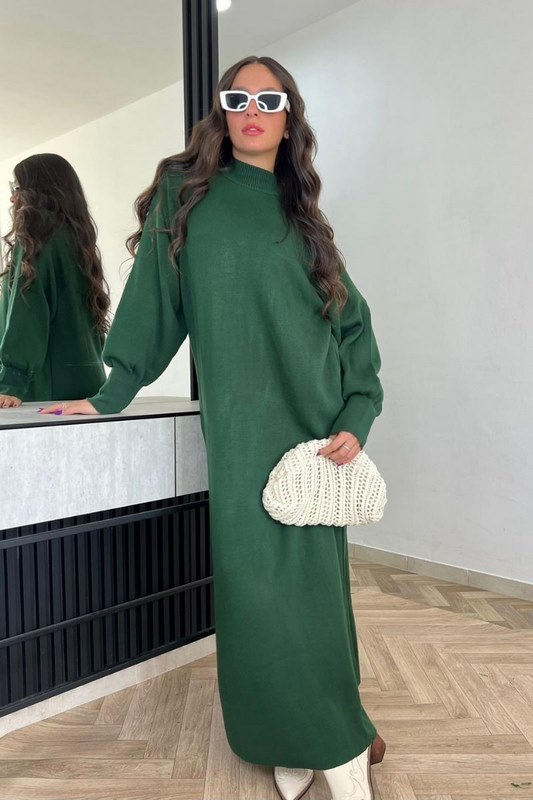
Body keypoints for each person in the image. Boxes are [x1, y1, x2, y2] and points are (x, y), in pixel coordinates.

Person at [40, 56, 385, 800]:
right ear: (222, 112)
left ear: (289, 117)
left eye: (269, 100)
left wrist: (357, 413)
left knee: (315, 594)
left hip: (317, 433)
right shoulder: (187, 192)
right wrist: (110, 391)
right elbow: (153, 301)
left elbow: (352, 325)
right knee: (254, 592)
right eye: (238, 97)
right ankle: (286, 738)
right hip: (240, 429)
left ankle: (338, 742)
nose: (252, 110)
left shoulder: (303, 218)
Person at [0, 153, 110, 407]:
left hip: (43, 390)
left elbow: (27, 312)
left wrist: (11, 381)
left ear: (37, 192)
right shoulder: (78, 239)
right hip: (88, 385)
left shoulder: (37, 237)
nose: (13, 198)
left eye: (17, 188)